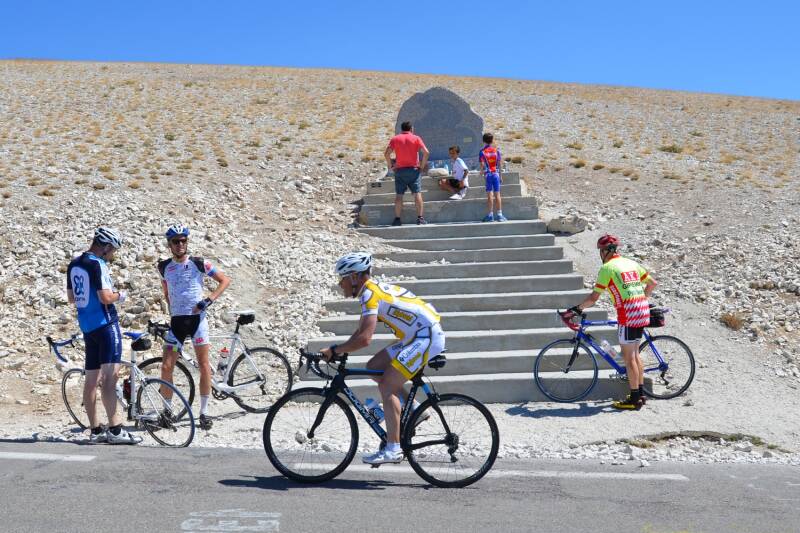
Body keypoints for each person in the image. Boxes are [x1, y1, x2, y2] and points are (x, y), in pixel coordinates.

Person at [321, 252, 445, 465]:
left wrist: (335, 350)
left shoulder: (370, 294)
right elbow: (360, 332)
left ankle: (393, 448)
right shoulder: (369, 291)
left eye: (342, 278)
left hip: (426, 336)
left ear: (353, 277)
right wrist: (337, 349)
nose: (339, 284)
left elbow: (365, 339)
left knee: (387, 384)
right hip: (415, 335)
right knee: (374, 366)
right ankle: (414, 409)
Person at [66, 227, 141, 444]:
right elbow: (106, 297)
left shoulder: (75, 263)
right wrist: (122, 295)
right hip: (106, 325)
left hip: (87, 326)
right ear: (106, 246)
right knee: (110, 379)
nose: (113, 254)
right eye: (113, 250)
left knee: (91, 381)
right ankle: (116, 430)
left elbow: (71, 298)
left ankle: (96, 431)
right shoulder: (97, 264)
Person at [157, 223, 230, 430]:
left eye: (183, 240)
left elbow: (224, 280)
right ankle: (167, 411)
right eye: (176, 241)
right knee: (166, 367)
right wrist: (172, 308)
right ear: (169, 244)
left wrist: (209, 300)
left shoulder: (199, 263)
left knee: (204, 365)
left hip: (197, 322)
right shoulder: (163, 267)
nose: (180, 244)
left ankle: (204, 412)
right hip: (177, 324)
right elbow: (166, 291)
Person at [571, 234, 657, 410]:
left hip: (627, 313)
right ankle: (640, 394)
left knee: (629, 357)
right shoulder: (630, 263)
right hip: (642, 310)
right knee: (635, 354)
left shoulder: (607, 268)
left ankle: (633, 399)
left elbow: (594, 297)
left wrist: (577, 309)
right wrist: (642, 300)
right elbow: (652, 283)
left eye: (600, 252)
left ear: (604, 252)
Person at [384, 121, 430, 226]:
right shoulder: (416, 138)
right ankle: (420, 218)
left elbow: (387, 153)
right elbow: (426, 152)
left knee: (399, 195)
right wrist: (422, 166)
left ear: (401, 129)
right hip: (414, 170)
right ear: (411, 129)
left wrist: (391, 166)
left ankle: (397, 219)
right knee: (417, 193)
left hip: (400, 171)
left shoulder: (395, 139)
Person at [479, 133, 507, 222]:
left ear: (483, 141)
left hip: (488, 175)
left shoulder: (482, 152)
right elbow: (499, 164)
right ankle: (500, 215)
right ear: (492, 140)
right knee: (497, 195)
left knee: (489, 195)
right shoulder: (496, 151)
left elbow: (483, 165)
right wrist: (501, 176)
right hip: (496, 174)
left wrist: (481, 172)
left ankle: (490, 215)